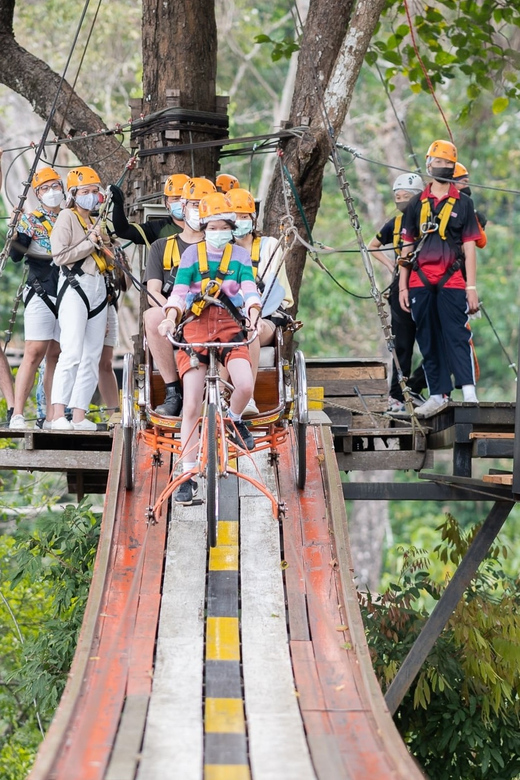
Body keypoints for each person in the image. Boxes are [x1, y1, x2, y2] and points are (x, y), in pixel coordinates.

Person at [158, 191, 262, 505]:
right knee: (191, 404)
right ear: (204, 226)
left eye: (223, 226)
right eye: (212, 226)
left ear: (231, 226)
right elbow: (178, 293)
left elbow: (248, 290)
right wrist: (169, 317)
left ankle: (233, 419)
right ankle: (186, 474)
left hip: (230, 325)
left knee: (244, 384)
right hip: (195, 328)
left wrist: (254, 315)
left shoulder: (240, 257)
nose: (218, 232)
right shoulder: (191, 256)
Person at [398, 140, 481, 418]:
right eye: (438, 162)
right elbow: (406, 248)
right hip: (420, 280)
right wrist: (402, 285)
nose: (442, 167)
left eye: (447, 163)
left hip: (453, 279)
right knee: (428, 338)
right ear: (428, 163)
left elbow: (470, 247)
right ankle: (437, 394)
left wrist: (471, 287)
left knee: (457, 335)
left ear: (453, 167)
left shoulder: (464, 203)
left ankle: (468, 392)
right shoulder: (416, 205)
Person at [144, 176, 213, 415]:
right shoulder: (162, 247)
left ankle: (219, 393)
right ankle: (173, 391)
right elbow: (153, 290)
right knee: (152, 316)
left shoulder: (222, 247)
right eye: (194, 204)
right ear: (182, 208)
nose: (198, 210)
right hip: (173, 313)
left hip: (210, 311)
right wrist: (172, 313)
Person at [50, 166, 111, 430]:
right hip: (75, 286)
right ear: (74, 194)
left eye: (94, 191)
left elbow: (106, 250)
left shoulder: (95, 220)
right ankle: (57, 414)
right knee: (72, 350)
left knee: (92, 355)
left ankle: (78, 414)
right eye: (85, 191)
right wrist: (90, 242)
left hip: (98, 286)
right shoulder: (67, 217)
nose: (91, 195)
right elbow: (60, 255)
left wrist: (104, 241)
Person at [226, 186, 294, 414]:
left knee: (250, 329)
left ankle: (248, 397)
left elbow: (277, 293)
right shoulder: (222, 252)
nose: (239, 221)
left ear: (252, 219)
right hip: (230, 316)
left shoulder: (269, 247)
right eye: (234, 217)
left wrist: (254, 314)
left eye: (244, 216)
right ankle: (215, 394)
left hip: (265, 315)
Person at [8, 166, 64, 429]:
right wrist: (16, 234)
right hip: (40, 288)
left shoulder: (72, 218)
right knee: (34, 351)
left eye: (55, 186)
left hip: (68, 291)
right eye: (45, 188)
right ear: (38, 194)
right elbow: (17, 255)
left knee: (56, 353)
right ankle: (18, 412)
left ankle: (53, 414)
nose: (51, 192)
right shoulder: (31, 220)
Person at [368, 172, 426, 413]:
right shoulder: (395, 224)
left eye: (406, 196)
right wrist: (391, 265)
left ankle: (415, 387)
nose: (401, 200)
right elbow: (372, 246)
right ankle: (397, 395)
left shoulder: (426, 219)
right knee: (402, 344)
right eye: (398, 196)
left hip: (424, 284)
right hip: (399, 287)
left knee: (433, 343)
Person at [109, 173, 189, 246]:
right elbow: (124, 231)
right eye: (175, 199)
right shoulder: (158, 228)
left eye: (184, 199)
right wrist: (118, 205)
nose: (181, 203)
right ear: (166, 202)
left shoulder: (200, 227)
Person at [452, 162, 487, 248]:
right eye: (464, 182)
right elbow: (482, 242)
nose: (467, 186)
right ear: (451, 182)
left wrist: (475, 218)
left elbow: (482, 242)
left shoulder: (465, 207)